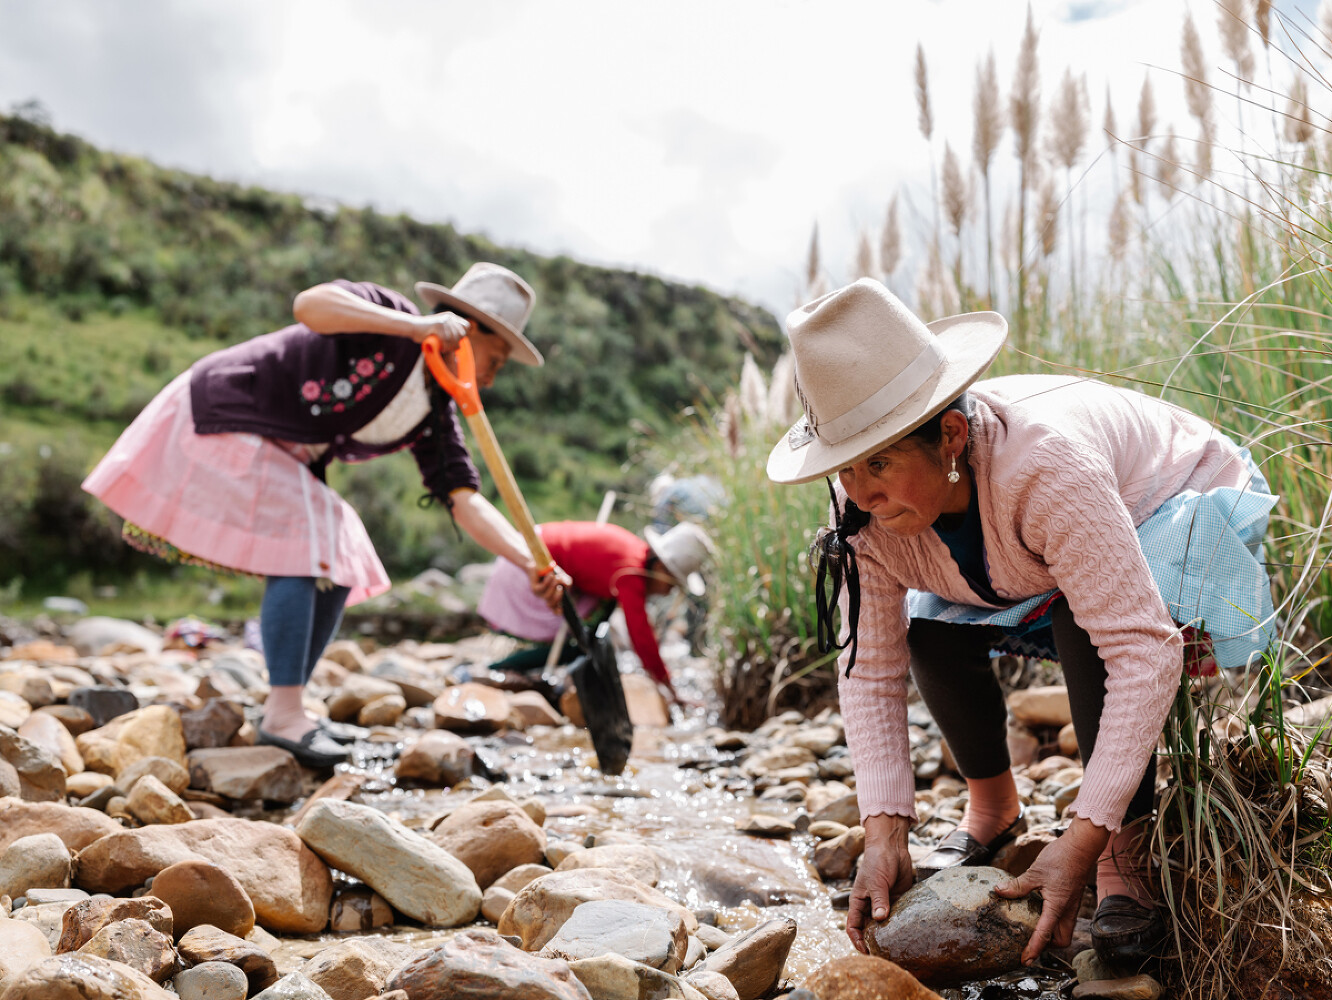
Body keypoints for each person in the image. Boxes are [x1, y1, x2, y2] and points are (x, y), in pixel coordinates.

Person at [765, 279, 1276, 966]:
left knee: (1086, 623)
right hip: (1028, 553)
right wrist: (883, 834)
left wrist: (1083, 838)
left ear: (948, 435)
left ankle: (1125, 854)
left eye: (879, 461)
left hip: (1168, 497)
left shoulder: (1046, 469)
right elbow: (869, 669)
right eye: (845, 467)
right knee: (927, 631)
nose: (859, 490)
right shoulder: (864, 512)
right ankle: (993, 808)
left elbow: (1142, 652)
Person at [83, 263, 570, 767]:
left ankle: (285, 704)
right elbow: (309, 305)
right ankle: (284, 717)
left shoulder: (435, 409)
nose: (492, 377)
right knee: (308, 538)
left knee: (343, 551)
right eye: (498, 358)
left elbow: (463, 498)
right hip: (225, 413)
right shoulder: (391, 319)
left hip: (275, 451)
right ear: (468, 329)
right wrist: (417, 328)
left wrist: (530, 561)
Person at [477, 520, 714, 704]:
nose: (668, 592)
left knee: (587, 637)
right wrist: (668, 687)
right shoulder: (630, 574)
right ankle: (491, 671)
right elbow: (640, 635)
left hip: (533, 554)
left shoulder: (632, 557)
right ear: (661, 567)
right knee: (577, 645)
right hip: (526, 562)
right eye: (671, 584)